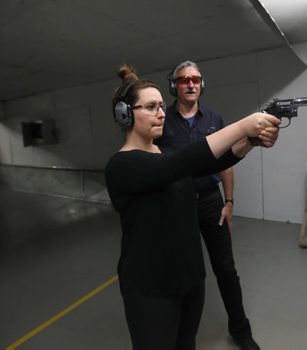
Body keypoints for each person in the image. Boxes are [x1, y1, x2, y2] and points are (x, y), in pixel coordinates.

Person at [105, 63, 280, 350]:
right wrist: (243, 125)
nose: (162, 113)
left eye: (161, 105)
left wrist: (250, 140)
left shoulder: (167, 151)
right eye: (150, 107)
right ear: (125, 115)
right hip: (151, 286)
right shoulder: (121, 165)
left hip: (189, 279)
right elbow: (177, 165)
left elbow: (213, 162)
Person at [154, 61, 261, 350]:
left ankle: (240, 331)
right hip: (177, 205)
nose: (191, 84)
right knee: (181, 271)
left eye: (196, 79)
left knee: (226, 269)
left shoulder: (214, 118)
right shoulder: (163, 120)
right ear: (174, 85)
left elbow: (227, 163)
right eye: (184, 79)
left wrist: (229, 202)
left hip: (212, 203)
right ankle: (179, 334)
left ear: (202, 84)